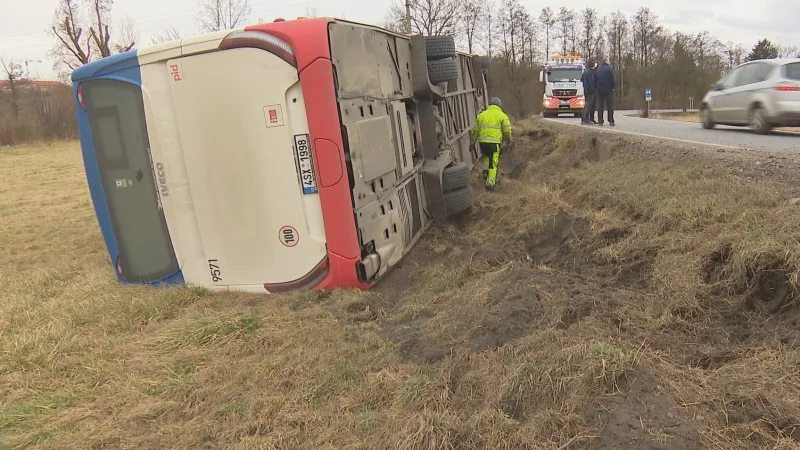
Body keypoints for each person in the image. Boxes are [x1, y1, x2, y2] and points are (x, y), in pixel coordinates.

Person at [471, 97, 512, 190]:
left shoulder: (481, 115)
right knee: (493, 163)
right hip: (494, 143)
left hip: (483, 142)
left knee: (486, 157)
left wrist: (472, 143)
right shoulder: (502, 115)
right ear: (499, 105)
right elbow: (507, 130)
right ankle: (490, 184)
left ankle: (485, 173)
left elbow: (475, 131)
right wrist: (508, 140)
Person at [595, 57, 616, 126]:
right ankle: (611, 121)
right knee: (609, 106)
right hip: (608, 89)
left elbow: (595, 79)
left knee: (600, 106)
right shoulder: (610, 69)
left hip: (599, 90)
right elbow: (613, 79)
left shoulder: (598, 69)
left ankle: (600, 121)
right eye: (609, 60)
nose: (609, 62)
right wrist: (613, 87)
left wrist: (596, 87)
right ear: (606, 61)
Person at [580, 60, 598, 125]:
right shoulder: (591, 72)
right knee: (588, 105)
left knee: (588, 105)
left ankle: (589, 119)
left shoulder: (585, 72)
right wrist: (594, 88)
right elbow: (593, 81)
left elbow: (581, 79)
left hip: (586, 90)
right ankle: (585, 119)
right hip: (591, 91)